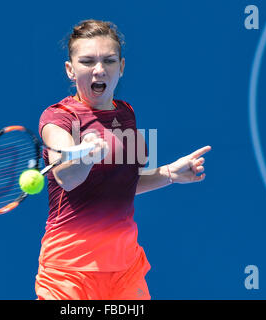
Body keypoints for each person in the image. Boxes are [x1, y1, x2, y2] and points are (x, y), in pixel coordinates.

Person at [35, 19, 211, 300]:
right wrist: (86, 157)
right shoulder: (58, 118)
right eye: (87, 61)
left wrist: (168, 174)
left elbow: (119, 184)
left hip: (125, 271)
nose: (99, 69)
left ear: (121, 67)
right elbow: (67, 177)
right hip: (68, 273)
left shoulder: (126, 114)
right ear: (70, 69)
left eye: (109, 60)